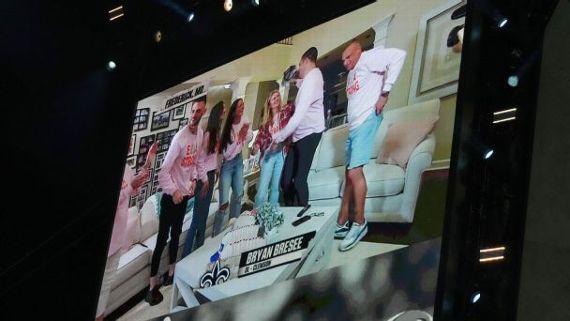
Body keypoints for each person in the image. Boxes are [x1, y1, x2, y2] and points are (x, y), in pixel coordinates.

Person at [335, 40, 406, 251]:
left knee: (355, 172)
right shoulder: (352, 73)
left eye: (349, 57)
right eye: (343, 60)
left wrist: (385, 93)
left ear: (359, 52)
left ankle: (359, 223)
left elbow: (399, 55)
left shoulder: (369, 58)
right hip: (355, 126)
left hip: (367, 120)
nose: (346, 62)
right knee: (349, 173)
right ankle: (341, 222)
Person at [146, 98, 208, 305]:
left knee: (176, 235)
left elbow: (195, 164)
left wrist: (196, 180)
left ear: (203, 113)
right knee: (162, 239)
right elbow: (163, 173)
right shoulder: (179, 139)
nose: (194, 114)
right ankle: (152, 284)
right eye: (192, 110)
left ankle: (171, 272)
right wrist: (173, 191)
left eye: (198, 111)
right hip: (170, 198)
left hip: (183, 197)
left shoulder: (199, 135)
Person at [96, 142, 157, 320]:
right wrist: (130, 187)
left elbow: (131, 191)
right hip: (105, 245)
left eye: (130, 142)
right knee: (99, 290)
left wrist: (146, 167)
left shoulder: (126, 168)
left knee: (105, 290)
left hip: (117, 242)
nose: (129, 145)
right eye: (128, 142)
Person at [272, 47, 325, 207]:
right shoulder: (310, 79)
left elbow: (297, 118)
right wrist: (292, 79)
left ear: (306, 61)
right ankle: (289, 213)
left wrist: (278, 138)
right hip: (299, 137)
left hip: (310, 134)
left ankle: (302, 218)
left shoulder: (313, 80)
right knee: (286, 181)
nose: (299, 68)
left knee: (299, 180)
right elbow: (301, 83)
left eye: (300, 64)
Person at [182, 101, 225, 257]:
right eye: (222, 111)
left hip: (211, 175)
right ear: (217, 114)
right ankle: (186, 255)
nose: (224, 114)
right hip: (204, 178)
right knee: (197, 219)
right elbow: (199, 160)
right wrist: (205, 179)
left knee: (204, 216)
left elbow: (215, 158)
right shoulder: (207, 135)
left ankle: (198, 250)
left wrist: (217, 171)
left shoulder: (217, 133)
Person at [213, 98, 253, 236]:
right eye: (239, 106)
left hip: (239, 160)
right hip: (228, 164)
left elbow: (250, 136)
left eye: (243, 105)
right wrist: (239, 139)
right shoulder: (228, 128)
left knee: (238, 195)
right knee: (223, 203)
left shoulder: (245, 119)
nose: (242, 108)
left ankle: (233, 231)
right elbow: (227, 154)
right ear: (234, 110)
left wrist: (244, 137)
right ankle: (216, 235)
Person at [252, 90, 294, 207]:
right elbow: (259, 139)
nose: (276, 99)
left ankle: (272, 214)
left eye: (278, 97)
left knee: (276, 187)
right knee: (263, 188)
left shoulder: (285, 112)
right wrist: (256, 146)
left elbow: (293, 107)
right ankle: (257, 214)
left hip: (281, 153)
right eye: (273, 98)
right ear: (269, 103)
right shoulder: (265, 122)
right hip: (269, 154)